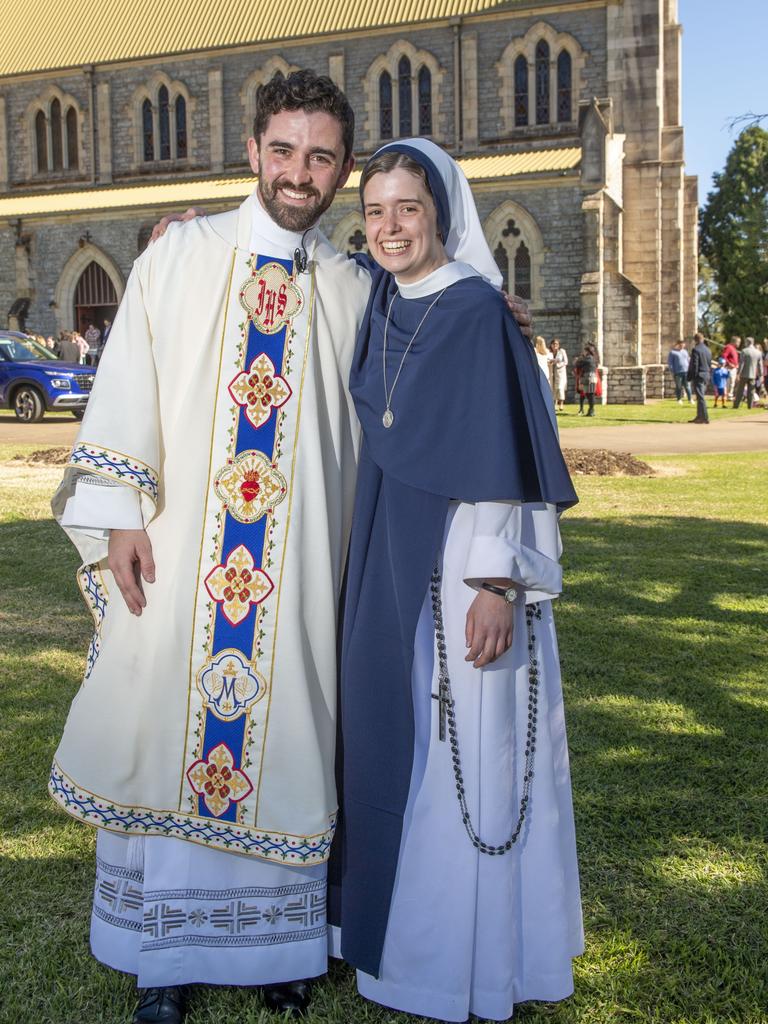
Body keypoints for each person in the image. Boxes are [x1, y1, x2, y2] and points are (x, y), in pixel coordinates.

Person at [49, 71, 532, 1024]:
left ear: (341, 169)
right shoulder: (179, 257)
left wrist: (493, 323)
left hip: (305, 572)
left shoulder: (357, 286)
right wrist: (116, 515)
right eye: (283, 151)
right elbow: (128, 383)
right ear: (253, 150)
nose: (298, 172)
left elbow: (432, 352)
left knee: (296, 740)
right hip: (187, 559)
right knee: (167, 737)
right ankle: (166, 963)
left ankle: (283, 948)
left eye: (319, 157)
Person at [330, 141, 583, 1023]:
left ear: (441, 212)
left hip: (462, 558)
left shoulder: (477, 312)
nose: (392, 228)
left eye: (409, 209)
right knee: (382, 735)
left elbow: (508, 457)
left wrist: (496, 585)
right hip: (385, 546)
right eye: (376, 212)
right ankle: (384, 945)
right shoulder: (377, 299)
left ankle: (452, 962)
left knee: (460, 744)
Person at [687, 331, 713, 423]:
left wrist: (691, 376)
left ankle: (704, 417)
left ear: (695, 340)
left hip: (699, 375)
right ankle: (699, 416)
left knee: (700, 396)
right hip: (706, 374)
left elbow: (694, 365)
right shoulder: (708, 350)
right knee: (700, 396)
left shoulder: (696, 350)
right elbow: (709, 363)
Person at [732, 336, 762, 409]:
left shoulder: (744, 351)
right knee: (751, 391)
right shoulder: (758, 352)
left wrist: (738, 373)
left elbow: (741, 363)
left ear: (747, 342)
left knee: (740, 390)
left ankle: (736, 405)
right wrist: (761, 375)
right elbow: (760, 365)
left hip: (744, 374)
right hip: (753, 375)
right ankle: (750, 406)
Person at [574, 343, 599, 416]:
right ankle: (591, 410)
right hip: (590, 377)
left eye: (584, 351)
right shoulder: (592, 358)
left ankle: (591, 411)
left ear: (587, 351)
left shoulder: (588, 358)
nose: (583, 352)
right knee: (589, 394)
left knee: (590, 394)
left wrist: (578, 359)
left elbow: (577, 364)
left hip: (589, 377)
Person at [667, 340, 692, 404]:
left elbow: (688, 360)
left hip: (686, 371)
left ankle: (690, 399)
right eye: (680, 345)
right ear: (677, 344)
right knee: (679, 386)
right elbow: (670, 363)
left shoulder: (685, 352)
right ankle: (679, 399)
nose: (682, 346)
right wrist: (673, 371)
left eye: (683, 345)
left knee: (687, 386)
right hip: (678, 372)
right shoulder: (672, 352)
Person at [549, 337, 568, 412]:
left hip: (560, 372)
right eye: (553, 344)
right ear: (551, 345)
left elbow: (566, 362)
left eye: (556, 344)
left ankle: (561, 403)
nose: (555, 345)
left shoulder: (562, 351)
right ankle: (554, 404)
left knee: (560, 388)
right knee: (553, 388)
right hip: (551, 372)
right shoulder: (549, 352)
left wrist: (558, 364)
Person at [721, 335, 740, 401]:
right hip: (729, 368)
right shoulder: (729, 347)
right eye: (738, 342)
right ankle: (727, 396)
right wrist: (729, 363)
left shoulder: (734, 349)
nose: (739, 344)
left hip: (734, 368)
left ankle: (730, 396)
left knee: (732, 383)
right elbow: (724, 356)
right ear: (734, 342)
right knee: (728, 383)